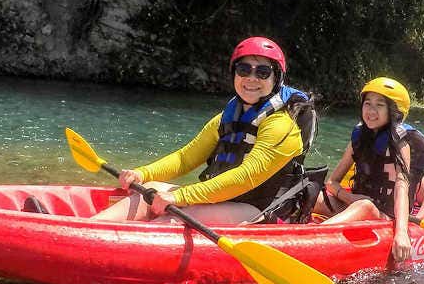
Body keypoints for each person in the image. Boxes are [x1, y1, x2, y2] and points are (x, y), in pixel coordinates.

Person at [90, 36, 312, 224]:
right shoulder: (226, 119)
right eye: (244, 69)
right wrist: (142, 173)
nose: (251, 78)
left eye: (262, 72)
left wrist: (182, 196)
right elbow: (185, 158)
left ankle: (120, 248)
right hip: (223, 199)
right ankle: (90, 227)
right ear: (234, 73)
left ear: (276, 78)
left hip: (259, 209)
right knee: (150, 188)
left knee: (187, 213)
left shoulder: (282, 126)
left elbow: (246, 177)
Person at [317, 77, 424, 263]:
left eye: (380, 105)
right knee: (314, 195)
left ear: (394, 112)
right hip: (355, 204)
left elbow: (401, 188)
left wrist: (401, 232)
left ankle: (312, 237)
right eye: (367, 103)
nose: (371, 111)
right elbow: (332, 182)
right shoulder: (359, 137)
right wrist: (350, 198)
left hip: (385, 215)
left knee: (366, 206)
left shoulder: (401, 143)